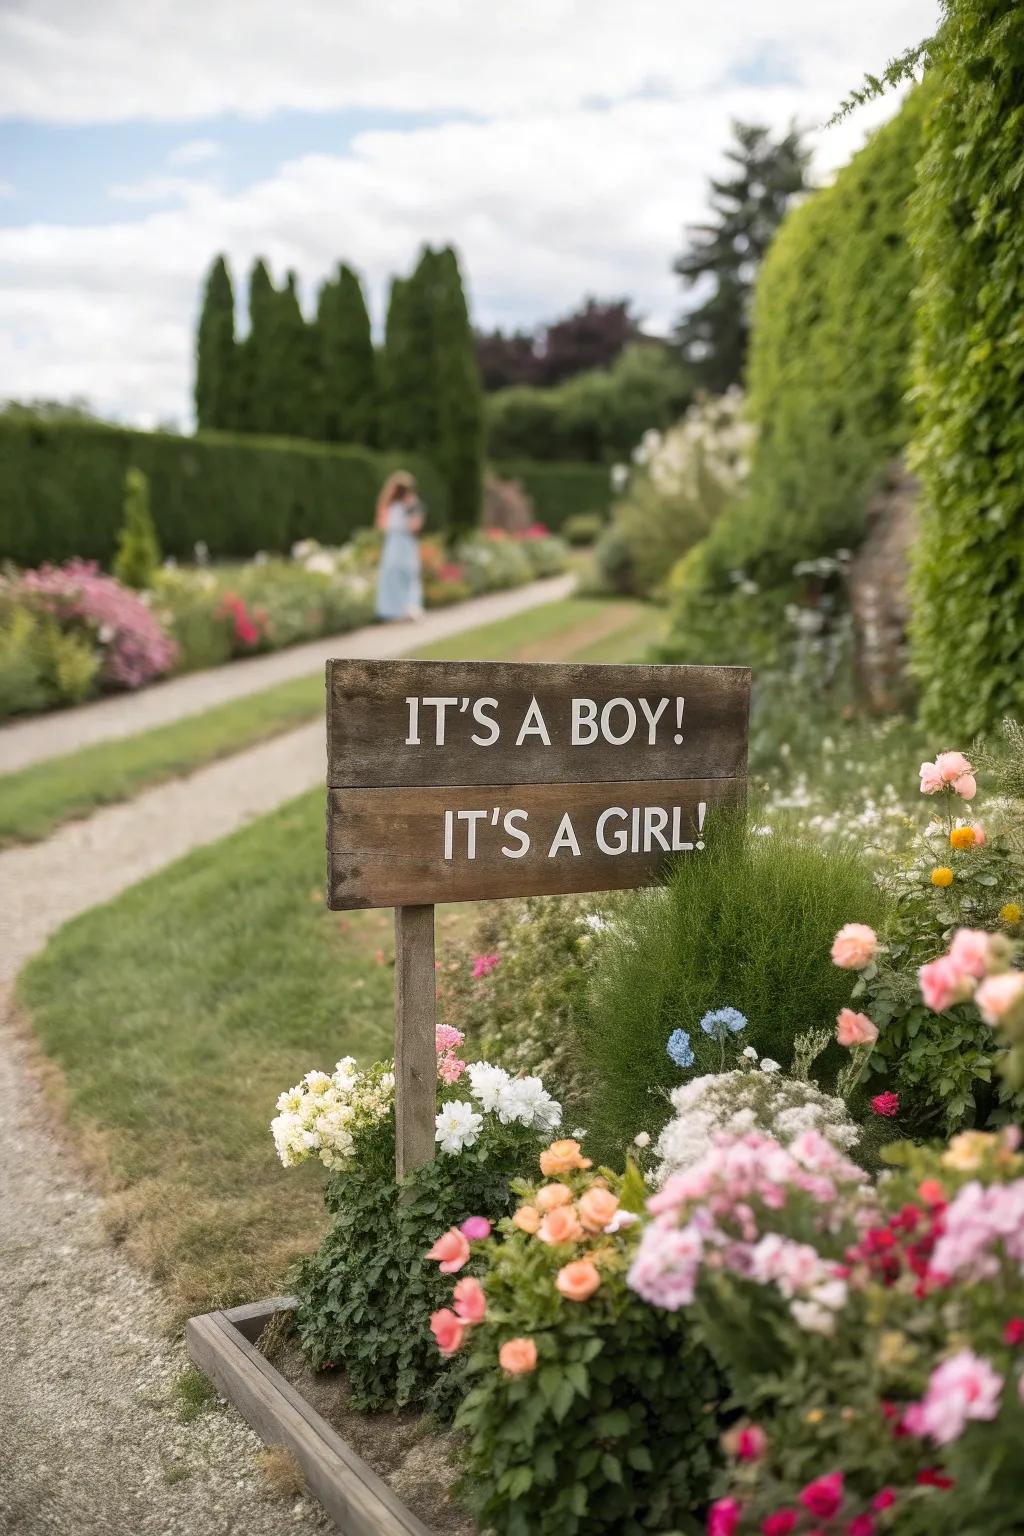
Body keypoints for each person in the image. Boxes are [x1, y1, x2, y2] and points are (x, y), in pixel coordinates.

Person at [374, 470, 424, 621]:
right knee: (392, 575)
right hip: (393, 543)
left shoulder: (412, 504)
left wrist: (408, 513)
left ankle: (410, 608)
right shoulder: (389, 506)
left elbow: (415, 526)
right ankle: (392, 610)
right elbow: (381, 525)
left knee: (408, 574)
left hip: (406, 542)